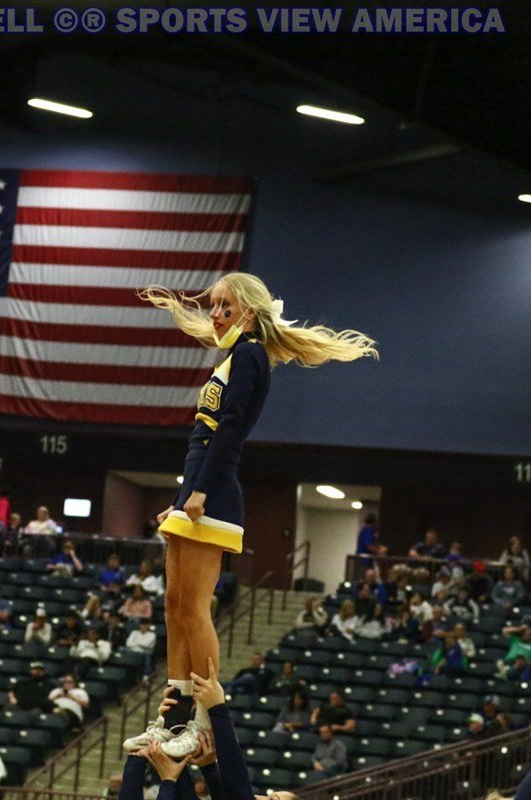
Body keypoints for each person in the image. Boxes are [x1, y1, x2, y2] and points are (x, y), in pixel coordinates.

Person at [126, 276, 374, 759]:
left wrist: (199, 491)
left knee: (195, 608)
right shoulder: (230, 357)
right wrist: (181, 497)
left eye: (225, 305)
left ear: (250, 311)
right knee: (174, 604)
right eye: (213, 305)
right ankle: (173, 718)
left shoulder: (251, 355)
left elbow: (231, 430)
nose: (214, 313)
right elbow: (202, 441)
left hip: (215, 492)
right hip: (197, 487)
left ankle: (204, 721)